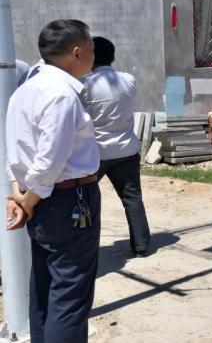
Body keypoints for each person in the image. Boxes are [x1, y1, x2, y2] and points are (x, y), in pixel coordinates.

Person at [5, 19, 100, 342]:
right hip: (67, 198)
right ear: (76, 52)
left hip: (41, 197)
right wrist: (29, 198)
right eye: (91, 49)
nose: (92, 56)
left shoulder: (24, 90)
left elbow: (15, 149)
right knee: (71, 294)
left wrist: (17, 192)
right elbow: (50, 158)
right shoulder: (61, 94)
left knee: (46, 285)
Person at [81, 36, 151, 257]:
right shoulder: (128, 80)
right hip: (126, 149)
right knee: (132, 198)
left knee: (86, 200)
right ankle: (141, 246)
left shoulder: (84, 85)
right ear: (112, 56)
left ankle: (85, 248)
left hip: (96, 153)